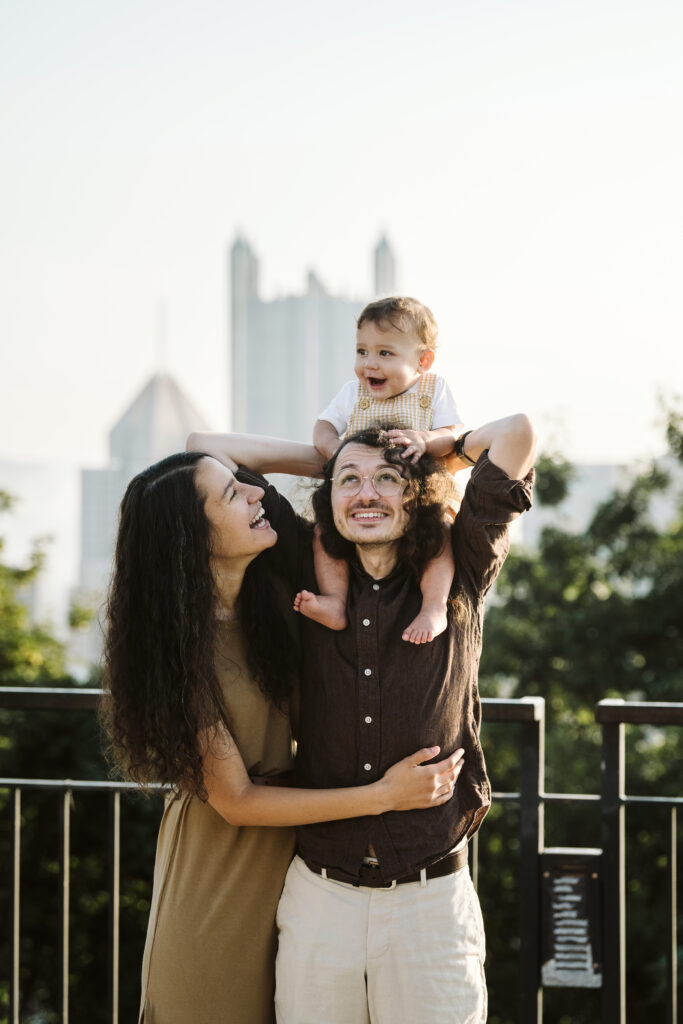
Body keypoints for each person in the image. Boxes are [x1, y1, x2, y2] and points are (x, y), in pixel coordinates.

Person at [190, 412, 535, 1023]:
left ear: (416, 493)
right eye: (350, 482)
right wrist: (330, 458)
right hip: (320, 898)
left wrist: (437, 448)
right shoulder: (308, 566)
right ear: (330, 498)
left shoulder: (460, 566)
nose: (367, 493)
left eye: (387, 479)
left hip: (431, 903)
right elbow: (203, 450)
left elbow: (518, 433)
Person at [102, 450, 465, 1024]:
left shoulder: (275, 607)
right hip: (220, 880)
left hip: (302, 878)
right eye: (233, 494)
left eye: (245, 484)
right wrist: (385, 795)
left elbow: (207, 443)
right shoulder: (178, 653)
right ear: (190, 536)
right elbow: (238, 802)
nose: (256, 494)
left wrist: (360, 452)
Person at [303, 295, 466, 644]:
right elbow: (322, 428)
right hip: (369, 494)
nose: (369, 364)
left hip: (422, 497)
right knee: (322, 533)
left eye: (385, 353)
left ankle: (434, 605)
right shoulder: (353, 393)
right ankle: (335, 600)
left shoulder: (432, 390)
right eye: (362, 352)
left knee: (442, 534)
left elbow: (454, 435)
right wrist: (336, 451)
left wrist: (425, 439)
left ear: (423, 361)